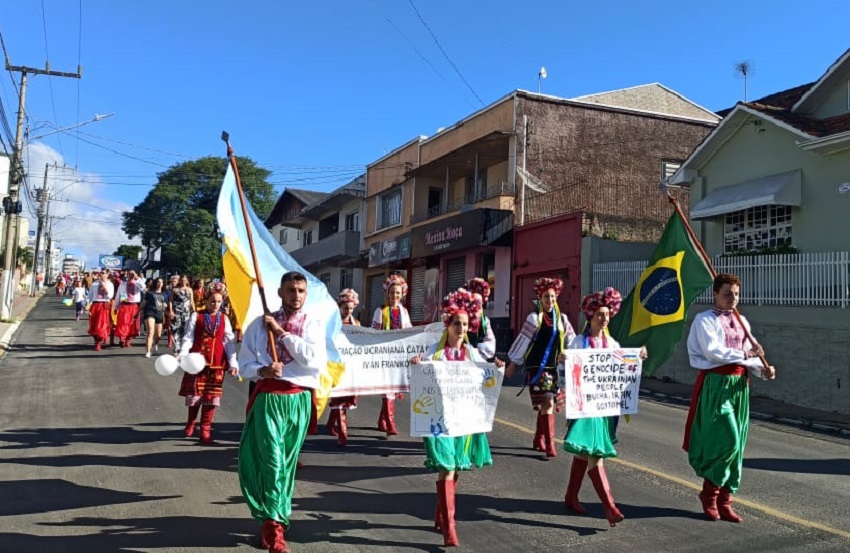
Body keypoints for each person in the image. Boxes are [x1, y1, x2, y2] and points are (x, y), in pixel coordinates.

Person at [237, 271, 327, 553]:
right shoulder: (258, 325)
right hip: (269, 399)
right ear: (280, 292)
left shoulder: (312, 323)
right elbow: (244, 365)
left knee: (286, 467)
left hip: (298, 400)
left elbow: (314, 361)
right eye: (291, 290)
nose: (296, 295)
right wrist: (263, 370)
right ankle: (274, 529)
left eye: (301, 290)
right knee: (272, 463)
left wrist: (282, 334)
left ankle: (273, 517)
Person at [410, 288, 504, 547]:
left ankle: (441, 513)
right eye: (456, 324)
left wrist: (496, 369)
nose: (461, 328)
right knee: (447, 467)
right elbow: (419, 377)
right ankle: (449, 528)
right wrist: (416, 363)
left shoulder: (472, 353)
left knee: (453, 468)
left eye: (465, 324)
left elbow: (485, 377)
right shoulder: (434, 351)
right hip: (439, 422)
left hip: (462, 420)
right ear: (448, 325)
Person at [684, 273, 776, 524]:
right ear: (715, 293)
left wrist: (763, 369)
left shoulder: (742, 320)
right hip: (718, 384)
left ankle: (725, 500)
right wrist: (747, 353)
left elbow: (753, 353)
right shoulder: (704, 321)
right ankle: (709, 494)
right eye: (727, 293)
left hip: (740, 386)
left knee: (738, 446)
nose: (732, 298)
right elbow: (714, 352)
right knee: (729, 440)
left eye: (736, 294)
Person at [561, 287, 646, 527]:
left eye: (607, 314)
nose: (604, 318)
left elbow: (623, 365)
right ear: (591, 316)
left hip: (604, 408)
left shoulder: (613, 342)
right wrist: (563, 360)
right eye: (599, 314)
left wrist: (638, 355)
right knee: (596, 455)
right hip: (586, 408)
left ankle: (570, 496)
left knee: (583, 452)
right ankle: (609, 507)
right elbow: (567, 370)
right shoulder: (579, 341)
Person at [506, 277, 576, 458]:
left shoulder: (562, 319)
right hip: (538, 367)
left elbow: (572, 341)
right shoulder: (534, 318)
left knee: (548, 402)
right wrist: (513, 363)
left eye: (552, 297)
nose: (550, 300)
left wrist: (573, 356)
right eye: (546, 297)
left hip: (556, 368)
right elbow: (523, 341)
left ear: (556, 297)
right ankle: (550, 444)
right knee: (548, 400)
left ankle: (539, 438)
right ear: (540, 298)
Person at [177, 289, 238, 443]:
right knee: (195, 394)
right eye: (212, 301)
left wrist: (232, 362)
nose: (215, 304)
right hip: (196, 361)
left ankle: (205, 428)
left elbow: (228, 342)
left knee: (211, 396)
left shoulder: (224, 318)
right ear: (205, 301)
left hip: (216, 362)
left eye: (218, 301)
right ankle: (191, 422)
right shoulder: (196, 316)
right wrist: (183, 353)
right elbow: (189, 336)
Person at [371, 274, 412, 437]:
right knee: (388, 388)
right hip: (384, 355)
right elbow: (374, 333)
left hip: (398, 356)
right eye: (392, 292)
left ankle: (382, 420)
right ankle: (390, 422)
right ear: (387, 293)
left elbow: (409, 332)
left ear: (402, 294)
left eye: (397, 293)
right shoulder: (380, 311)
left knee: (392, 389)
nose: (394, 296)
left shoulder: (404, 312)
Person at [327, 288, 360, 447]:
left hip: (350, 366)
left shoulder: (357, 324)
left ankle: (330, 424)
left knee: (344, 399)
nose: (348, 311)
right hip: (335, 366)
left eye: (351, 308)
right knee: (338, 398)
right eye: (346, 308)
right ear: (339, 307)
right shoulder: (332, 323)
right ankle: (342, 433)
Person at [464, 278, 496, 361]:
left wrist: (474, 351)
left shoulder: (485, 321)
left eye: (479, 305)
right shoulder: (458, 318)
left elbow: (490, 345)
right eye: (472, 304)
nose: (475, 308)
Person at [113, 270, 145, 348]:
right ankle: (122, 339)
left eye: (132, 274)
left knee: (133, 324)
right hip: (124, 305)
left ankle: (128, 340)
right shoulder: (123, 284)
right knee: (123, 323)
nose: (131, 275)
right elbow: (118, 295)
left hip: (134, 306)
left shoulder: (137, 283)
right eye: (129, 274)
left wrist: (137, 278)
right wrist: (115, 307)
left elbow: (143, 288)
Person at [86, 271, 114, 351]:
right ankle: (96, 340)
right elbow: (90, 296)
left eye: (104, 273)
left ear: (107, 275)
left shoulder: (110, 284)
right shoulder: (94, 284)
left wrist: (104, 286)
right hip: (95, 305)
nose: (102, 274)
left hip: (104, 305)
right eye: (101, 273)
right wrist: (87, 304)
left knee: (101, 325)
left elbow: (110, 296)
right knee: (93, 324)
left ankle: (99, 343)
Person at [141, 277, 167, 358]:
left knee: (158, 335)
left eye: (161, 282)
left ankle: (155, 344)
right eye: (158, 282)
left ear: (163, 284)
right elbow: (144, 303)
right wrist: (137, 311)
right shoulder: (149, 293)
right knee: (150, 332)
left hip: (159, 314)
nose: (160, 283)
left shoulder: (164, 295)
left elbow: (163, 307)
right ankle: (148, 351)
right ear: (155, 283)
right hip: (150, 312)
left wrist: (167, 311)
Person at [169, 275, 195, 351]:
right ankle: (177, 345)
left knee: (185, 329)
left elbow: (192, 302)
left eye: (185, 280)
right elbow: (170, 301)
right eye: (182, 280)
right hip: (177, 311)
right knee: (176, 328)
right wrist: (171, 311)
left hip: (186, 312)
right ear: (180, 281)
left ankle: (183, 346)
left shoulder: (190, 290)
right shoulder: (175, 290)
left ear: (187, 281)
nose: (183, 282)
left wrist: (194, 312)